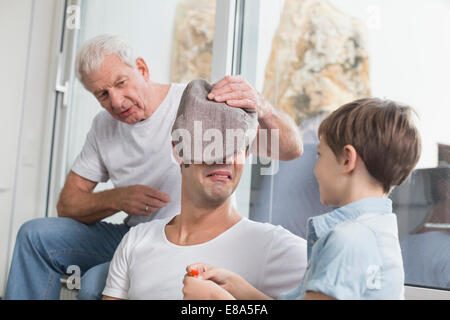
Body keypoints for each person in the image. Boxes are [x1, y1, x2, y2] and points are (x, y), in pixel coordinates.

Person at [5, 35, 304, 300]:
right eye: (102, 94)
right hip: (134, 236)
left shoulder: (193, 106)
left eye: (121, 83)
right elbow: (67, 203)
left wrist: (262, 107)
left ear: (142, 69)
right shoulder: (103, 127)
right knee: (35, 235)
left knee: (95, 283)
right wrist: (117, 198)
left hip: (191, 234)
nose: (117, 101)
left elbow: (290, 149)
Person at [182, 97, 422, 300]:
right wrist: (239, 289)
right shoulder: (378, 231)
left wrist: (217, 300)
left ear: (347, 160)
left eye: (319, 155)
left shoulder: (348, 241)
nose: (314, 169)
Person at [102, 79, 307, 299]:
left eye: (234, 146)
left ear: (246, 154)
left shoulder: (271, 246)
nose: (223, 158)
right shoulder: (137, 241)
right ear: (178, 150)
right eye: (209, 145)